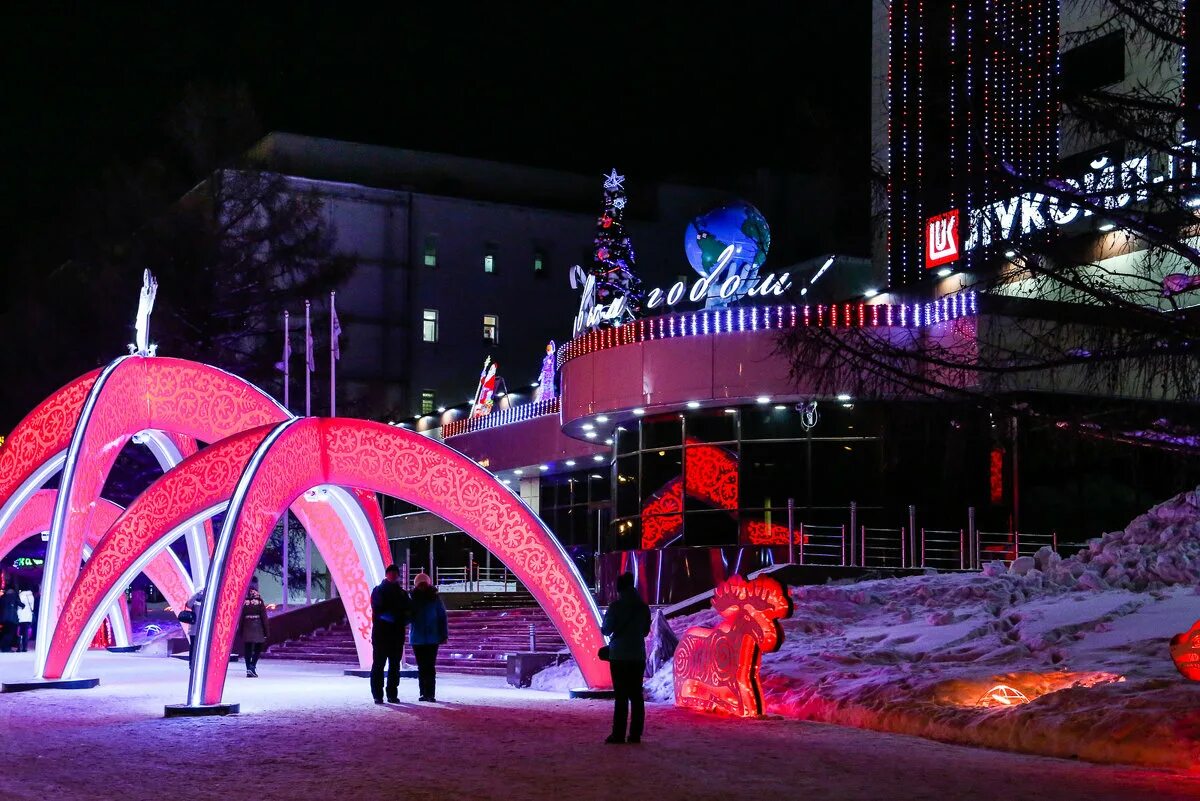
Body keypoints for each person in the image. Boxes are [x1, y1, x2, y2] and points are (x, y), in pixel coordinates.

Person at [601, 572, 651, 744]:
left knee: (621, 696)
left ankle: (618, 734)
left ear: (619, 589)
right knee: (636, 696)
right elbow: (645, 631)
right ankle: (635, 734)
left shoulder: (615, 607)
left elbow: (606, 630)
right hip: (637, 655)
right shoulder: (643, 607)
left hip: (619, 656)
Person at [369, 564, 410, 704]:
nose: (393, 575)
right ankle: (378, 694)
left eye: (395, 573)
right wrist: (397, 616)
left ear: (397, 575)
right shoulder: (379, 591)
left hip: (395, 635)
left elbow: (409, 611)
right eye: (390, 573)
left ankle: (392, 694)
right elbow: (378, 609)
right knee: (379, 665)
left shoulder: (402, 593)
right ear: (387, 574)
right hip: (382, 635)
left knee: (394, 665)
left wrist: (400, 617)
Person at [408, 572, 448, 702]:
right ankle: (424, 693)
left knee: (429, 666)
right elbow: (407, 615)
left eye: (424, 583)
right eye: (420, 584)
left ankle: (430, 693)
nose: (422, 586)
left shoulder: (435, 599)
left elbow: (442, 617)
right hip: (419, 638)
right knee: (422, 666)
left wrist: (443, 634)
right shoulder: (412, 599)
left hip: (431, 638)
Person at [239, 578, 270, 678]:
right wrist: (266, 632)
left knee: (247, 648)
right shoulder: (259, 600)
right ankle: (252, 666)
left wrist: (240, 630)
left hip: (247, 626)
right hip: (258, 627)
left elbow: (241, 617)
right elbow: (264, 617)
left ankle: (248, 668)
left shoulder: (244, 600)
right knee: (258, 647)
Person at [183, 587, 205, 666]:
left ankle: (200, 663)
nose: (202, 593)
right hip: (194, 629)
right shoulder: (194, 603)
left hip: (203, 629)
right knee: (193, 646)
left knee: (202, 647)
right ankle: (192, 663)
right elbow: (188, 604)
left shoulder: (206, 602)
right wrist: (197, 594)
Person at [0, 585, 24, 652]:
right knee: (10, 634)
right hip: (12, 619)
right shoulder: (14, 597)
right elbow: (22, 605)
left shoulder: (3, 598)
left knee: (4, 633)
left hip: (3, 619)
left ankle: (3, 646)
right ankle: (6, 648)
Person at [16, 581, 35, 652]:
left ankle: (19, 647)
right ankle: (25, 648)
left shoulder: (21, 595)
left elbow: (19, 605)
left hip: (21, 616)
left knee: (19, 632)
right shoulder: (31, 596)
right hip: (28, 616)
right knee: (26, 633)